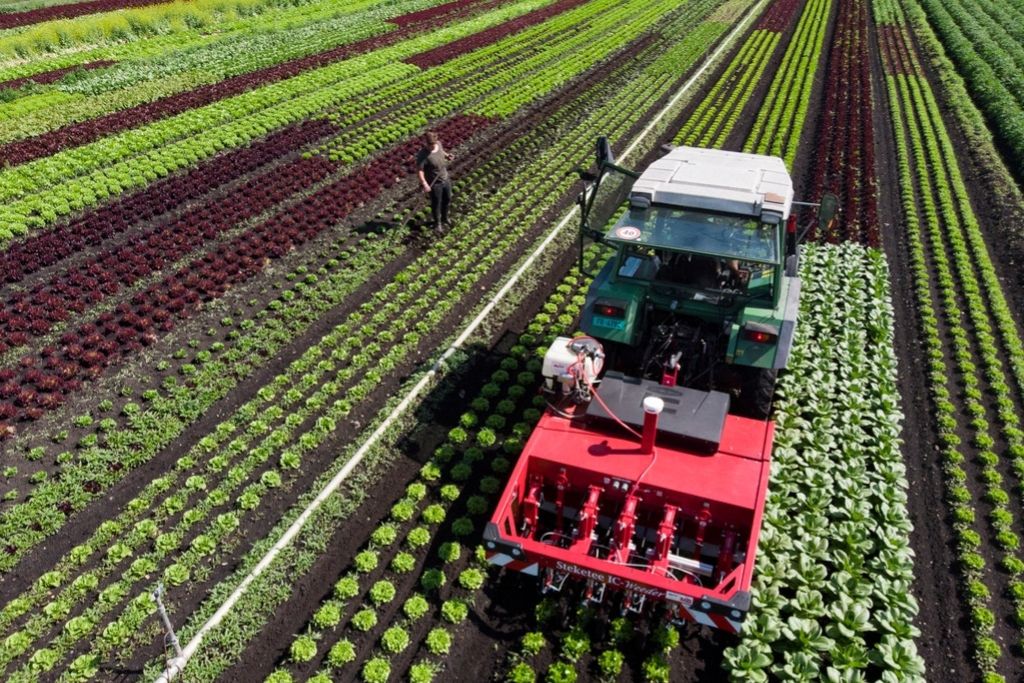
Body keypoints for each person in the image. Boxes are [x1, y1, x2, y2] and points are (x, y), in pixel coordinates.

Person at [416, 131, 453, 232]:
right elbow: (420, 170)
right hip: (435, 183)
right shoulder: (422, 155)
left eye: (434, 144)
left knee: (448, 199)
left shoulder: (439, 144)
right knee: (436, 203)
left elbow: (441, 152)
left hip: (445, 178)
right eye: (430, 145)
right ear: (426, 143)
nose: (432, 147)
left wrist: (447, 156)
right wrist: (424, 184)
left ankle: (445, 218)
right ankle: (438, 223)